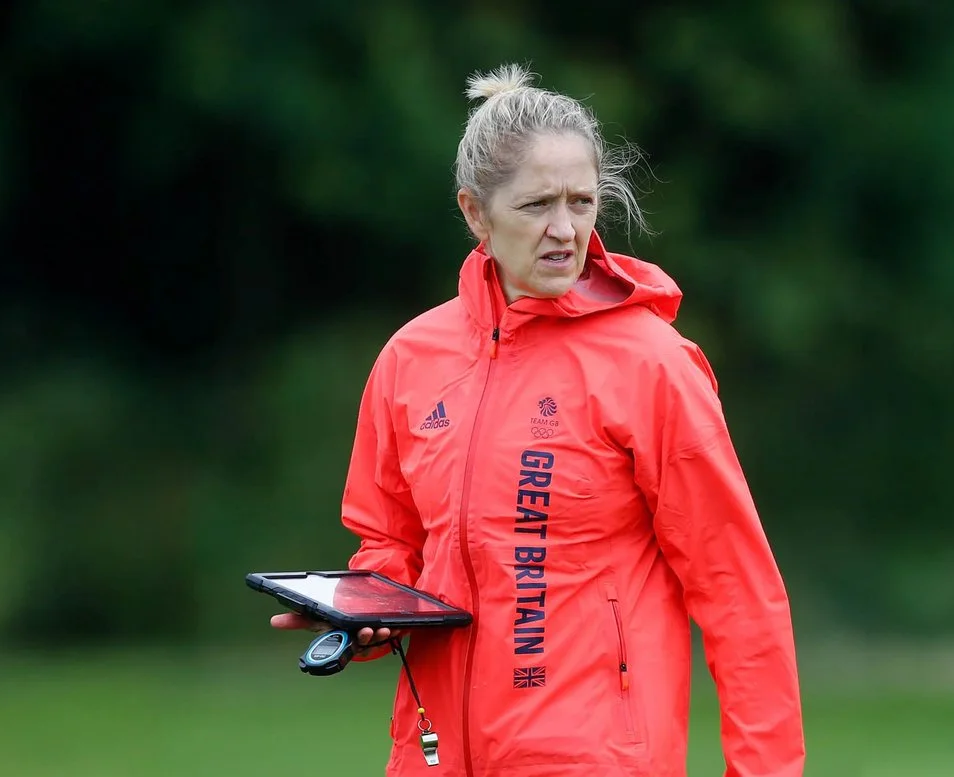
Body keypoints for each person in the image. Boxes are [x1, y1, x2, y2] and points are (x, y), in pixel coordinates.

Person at [269, 63, 805, 776]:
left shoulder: (654, 365)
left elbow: (739, 591)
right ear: (474, 213)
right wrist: (366, 615)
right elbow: (388, 542)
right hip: (432, 756)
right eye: (537, 205)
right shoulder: (411, 357)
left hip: (593, 755)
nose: (564, 229)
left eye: (582, 202)